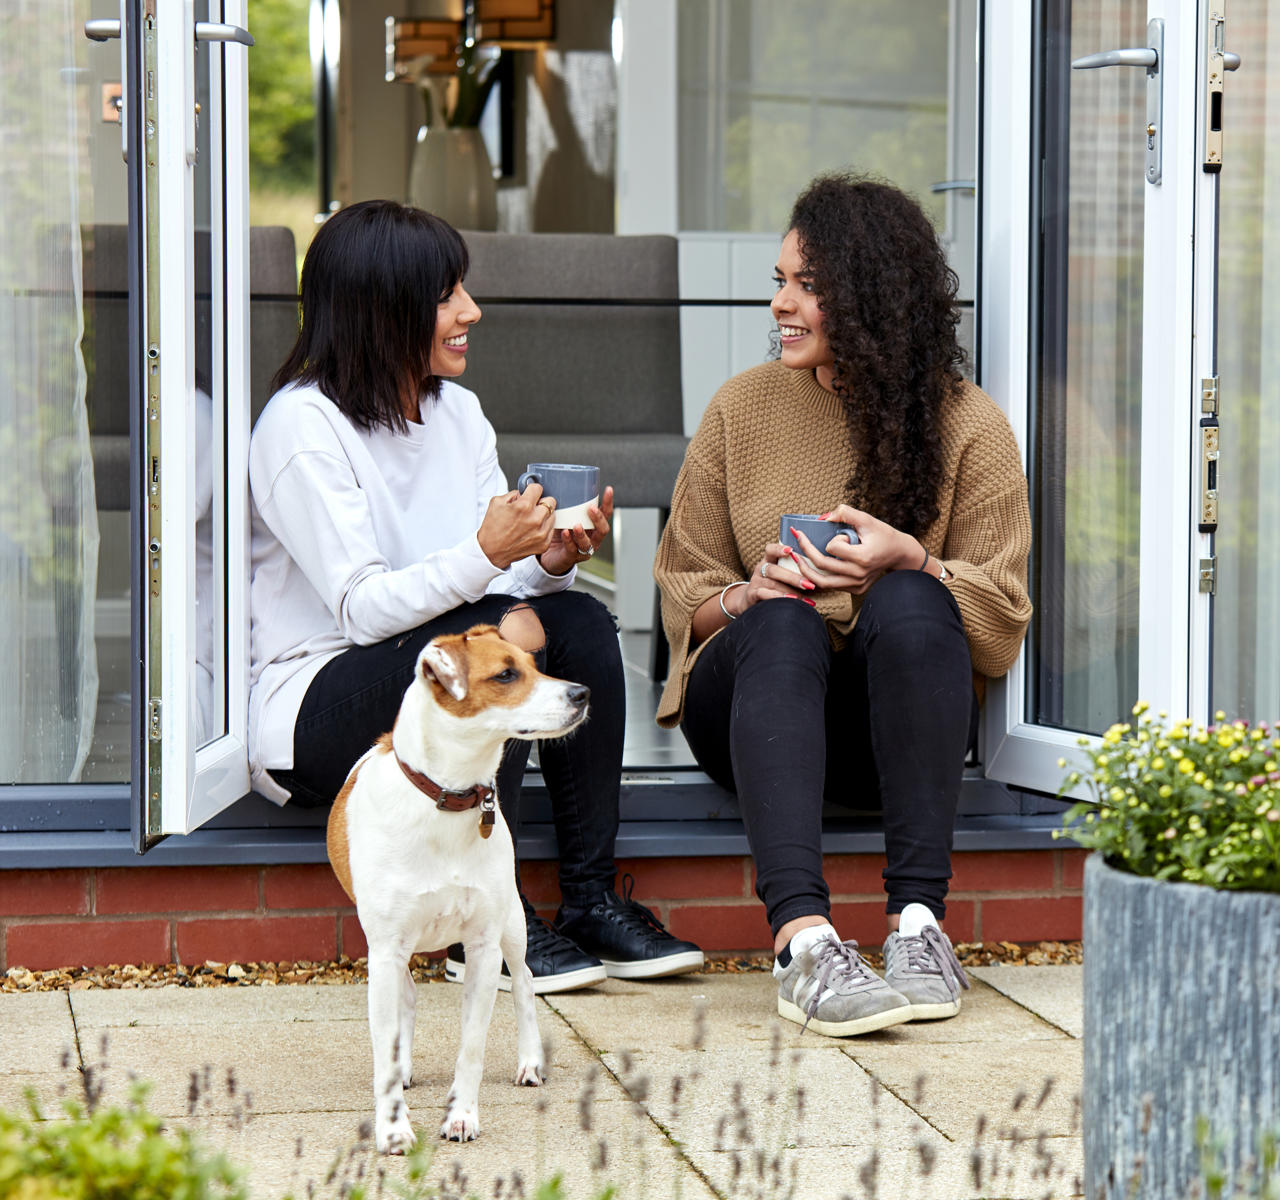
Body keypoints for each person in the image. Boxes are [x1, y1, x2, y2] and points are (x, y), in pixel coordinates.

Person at [246, 199, 703, 991]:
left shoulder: (456, 414)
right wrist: (486, 557)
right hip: (316, 703)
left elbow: (499, 589)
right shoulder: (302, 427)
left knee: (578, 619)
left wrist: (549, 558)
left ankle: (591, 898)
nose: (471, 312)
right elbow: (361, 608)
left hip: (438, 666)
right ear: (381, 309)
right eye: (447, 295)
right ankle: (485, 926)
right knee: (502, 628)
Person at [653, 174, 1032, 1037]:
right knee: (778, 619)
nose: (781, 303)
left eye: (806, 286)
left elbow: (1003, 614)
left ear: (867, 298)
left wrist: (919, 561)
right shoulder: (741, 407)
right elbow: (683, 586)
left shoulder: (968, 425)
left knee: (909, 597)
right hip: (755, 716)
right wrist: (747, 592)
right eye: (780, 280)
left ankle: (918, 928)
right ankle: (804, 942)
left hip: (885, 736)